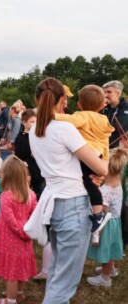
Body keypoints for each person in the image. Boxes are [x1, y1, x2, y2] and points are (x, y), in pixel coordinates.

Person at [24, 77, 108, 303]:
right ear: (62, 100)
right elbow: (101, 167)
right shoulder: (65, 129)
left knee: (58, 273)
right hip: (72, 205)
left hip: (54, 204)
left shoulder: (34, 131)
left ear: (36, 99)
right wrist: (101, 170)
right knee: (65, 281)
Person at [55, 85, 115, 233]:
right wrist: (104, 162)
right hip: (98, 155)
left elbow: (67, 120)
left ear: (79, 104)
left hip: (86, 152)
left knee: (87, 182)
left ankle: (98, 214)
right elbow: (105, 144)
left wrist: (48, 115)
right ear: (102, 105)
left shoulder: (83, 116)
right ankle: (97, 212)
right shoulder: (103, 120)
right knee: (92, 183)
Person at [0, 156, 37, 304]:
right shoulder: (31, 195)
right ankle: (18, 292)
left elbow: (11, 222)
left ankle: (10, 300)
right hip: (25, 239)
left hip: (10, 240)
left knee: (11, 274)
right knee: (20, 270)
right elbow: (34, 215)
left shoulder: (6, 196)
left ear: (7, 176)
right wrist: (28, 232)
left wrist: (22, 232)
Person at [86, 148, 128, 287]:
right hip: (115, 222)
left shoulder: (104, 192)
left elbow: (101, 215)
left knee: (106, 249)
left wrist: (96, 234)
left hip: (106, 224)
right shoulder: (118, 185)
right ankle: (112, 269)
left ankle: (105, 277)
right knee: (110, 246)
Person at [14, 109, 45, 198]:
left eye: (36, 122)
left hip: (40, 174)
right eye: (32, 122)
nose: (35, 124)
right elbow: (18, 159)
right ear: (24, 122)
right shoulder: (20, 138)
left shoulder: (39, 136)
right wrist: (26, 174)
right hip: (28, 175)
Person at [102, 80, 128, 149]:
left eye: (109, 92)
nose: (105, 95)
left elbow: (118, 127)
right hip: (104, 146)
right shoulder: (104, 108)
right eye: (104, 92)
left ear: (118, 94)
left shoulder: (125, 107)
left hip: (118, 150)